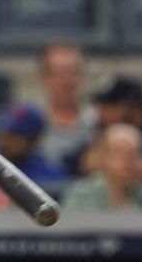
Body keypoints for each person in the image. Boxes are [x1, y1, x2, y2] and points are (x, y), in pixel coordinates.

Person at [63, 123, 142, 210]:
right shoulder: (80, 195)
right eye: (118, 152)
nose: (127, 161)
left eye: (133, 154)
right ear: (103, 157)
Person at [36, 42, 97, 173]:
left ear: (82, 75)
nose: (66, 81)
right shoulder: (33, 125)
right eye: (58, 73)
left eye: (72, 72)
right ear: (44, 78)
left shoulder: (98, 122)